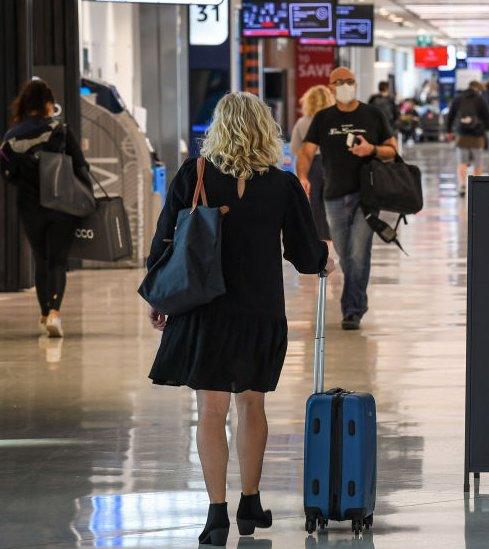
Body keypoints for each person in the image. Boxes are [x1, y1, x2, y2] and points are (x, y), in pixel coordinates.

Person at [146, 92, 329, 546]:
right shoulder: (282, 185)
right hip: (260, 310)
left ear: (219, 127)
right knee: (252, 403)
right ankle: (251, 499)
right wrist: (326, 257)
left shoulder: (195, 173)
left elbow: (164, 241)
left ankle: (216, 514)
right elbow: (306, 256)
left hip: (205, 309)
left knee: (210, 411)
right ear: (266, 130)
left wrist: (160, 297)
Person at [297, 66, 397, 331]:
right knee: (344, 252)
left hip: (367, 196)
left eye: (349, 81)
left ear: (356, 84)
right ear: (330, 87)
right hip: (333, 197)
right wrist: (302, 176)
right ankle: (357, 301)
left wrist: (371, 149)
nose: (344, 85)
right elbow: (306, 152)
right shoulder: (323, 118)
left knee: (359, 251)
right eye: (338, 81)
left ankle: (352, 309)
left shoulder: (373, 115)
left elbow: (392, 151)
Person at [0, 78, 93, 338]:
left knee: (41, 260)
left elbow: (7, 173)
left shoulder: (11, 136)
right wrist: (89, 197)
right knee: (58, 260)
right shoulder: (60, 130)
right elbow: (81, 166)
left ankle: (44, 314)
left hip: (30, 206)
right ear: (48, 104)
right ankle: (54, 312)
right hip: (62, 204)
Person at [290, 85, 334, 241]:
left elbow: (295, 148)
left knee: (315, 205)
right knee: (334, 202)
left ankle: (321, 240)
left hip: (311, 164)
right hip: (332, 163)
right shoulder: (334, 120)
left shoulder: (302, 122)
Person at [445, 80, 489, 196]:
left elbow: (450, 116)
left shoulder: (458, 98)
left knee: (462, 161)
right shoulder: (480, 99)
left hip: (462, 134)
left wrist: (449, 131)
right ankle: (477, 187)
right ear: (477, 89)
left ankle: (462, 185)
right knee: (478, 162)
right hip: (477, 135)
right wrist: (482, 126)